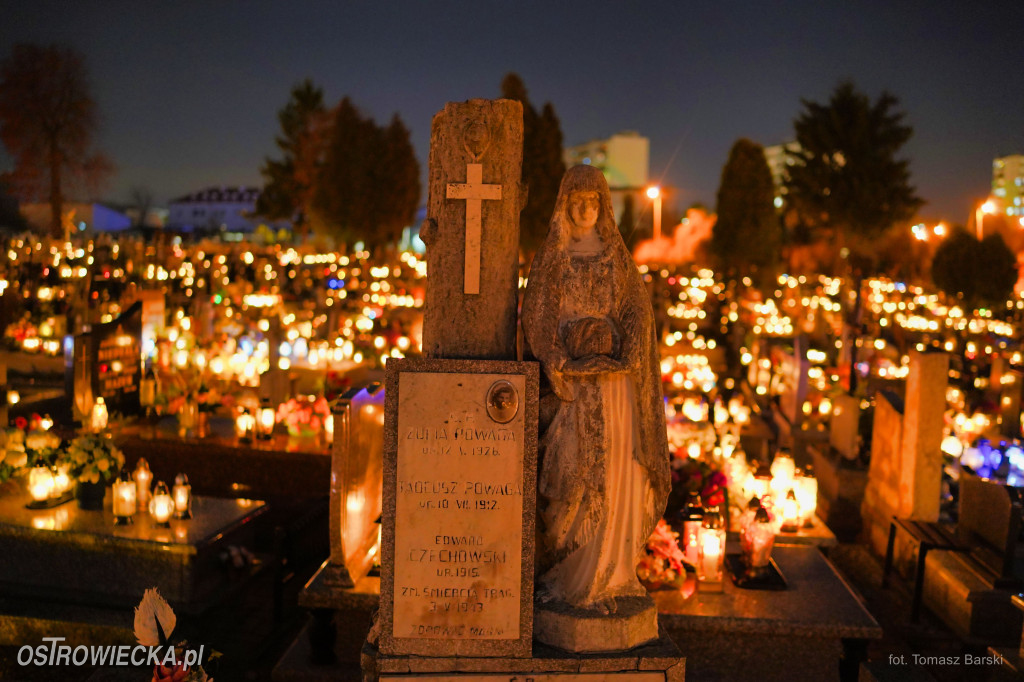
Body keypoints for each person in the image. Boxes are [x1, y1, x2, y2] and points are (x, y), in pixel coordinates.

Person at [522, 165, 670, 613]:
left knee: (615, 472)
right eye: (577, 201)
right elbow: (538, 314)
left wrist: (629, 351)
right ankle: (570, 577)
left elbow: (635, 309)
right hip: (574, 386)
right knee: (574, 475)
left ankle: (608, 575)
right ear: (565, 206)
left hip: (613, 386)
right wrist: (556, 357)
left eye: (593, 201)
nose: (586, 209)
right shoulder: (554, 257)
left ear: (603, 207)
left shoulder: (614, 256)